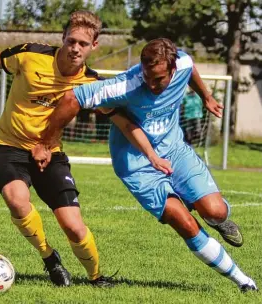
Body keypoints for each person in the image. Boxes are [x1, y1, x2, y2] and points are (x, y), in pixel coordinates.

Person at [0, 11, 172, 288]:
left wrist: (152, 156)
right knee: (17, 201)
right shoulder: (30, 55)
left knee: (73, 226)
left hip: (51, 154)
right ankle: (49, 258)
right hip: (10, 146)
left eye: (83, 44)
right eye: (71, 41)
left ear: (94, 46)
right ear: (63, 38)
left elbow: (124, 122)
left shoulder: (92, 85)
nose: (75, 48)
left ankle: (96, 277)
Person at [37, 38, 258, 292]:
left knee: (215, 211)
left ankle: (218, 221)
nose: (151, 85)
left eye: (159, 79)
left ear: (172, 70)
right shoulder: (126, 85)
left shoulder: (182, 63)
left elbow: (190, 66)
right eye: (147, 77)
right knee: (183, 221)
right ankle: (243, 281)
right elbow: (71, 98)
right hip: (137, 165)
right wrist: (46, 143)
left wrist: (206, 96)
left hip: (175, 150)